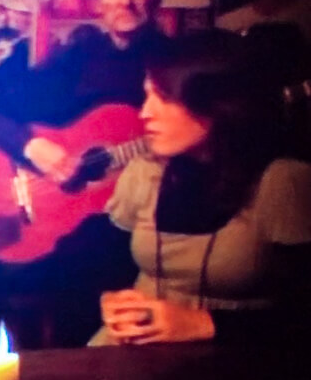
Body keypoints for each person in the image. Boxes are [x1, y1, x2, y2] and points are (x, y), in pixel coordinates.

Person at [0, 0, 170, 347]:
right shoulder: (77, 59)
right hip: (63, 233)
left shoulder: (180, 64)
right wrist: (36, 149)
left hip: (142, 235)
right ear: (97, 2)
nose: (125, 0)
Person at [94, 31, 311, 348]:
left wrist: (203, 323)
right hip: (130, 352)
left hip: (237, 363)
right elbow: (106, 263)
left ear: (217, 104)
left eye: (164, 98)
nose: (145, 113)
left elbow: (301, 319)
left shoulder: (281, 183)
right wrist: (110, 299)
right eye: (146, 96)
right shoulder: (146, 173)